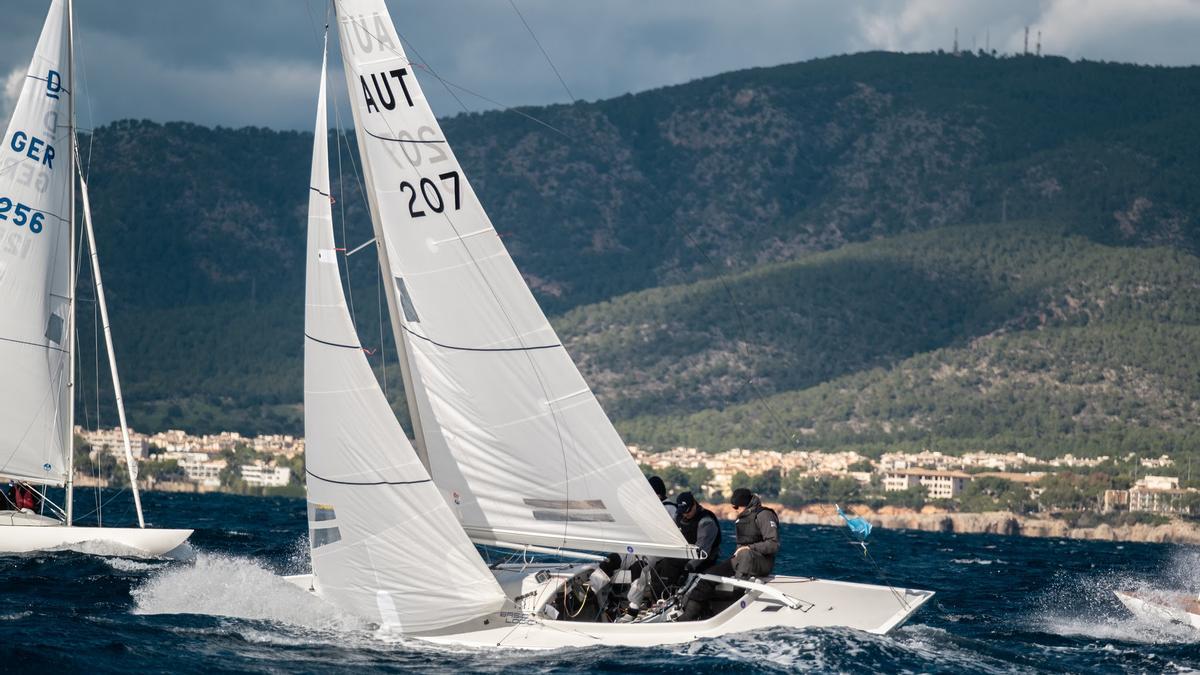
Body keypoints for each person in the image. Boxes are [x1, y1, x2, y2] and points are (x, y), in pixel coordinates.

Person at [676, 487, 779, 621]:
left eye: (736, 507)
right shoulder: (742, 518)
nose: (734, 510)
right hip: (742, 559)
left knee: (745, 555)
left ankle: (736, 603)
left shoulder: (764, 515)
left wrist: (750, 548)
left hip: (762, 561)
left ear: (745, 504)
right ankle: (690, 615)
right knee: (708, 576)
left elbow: (773, 544)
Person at [622, 476, 678, 619]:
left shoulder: (670, 509)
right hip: (641, 548)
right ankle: (592, 591)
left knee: (639, 567)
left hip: (660, 551)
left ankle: (633, 607)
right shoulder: (648, 508)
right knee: (614, 559)